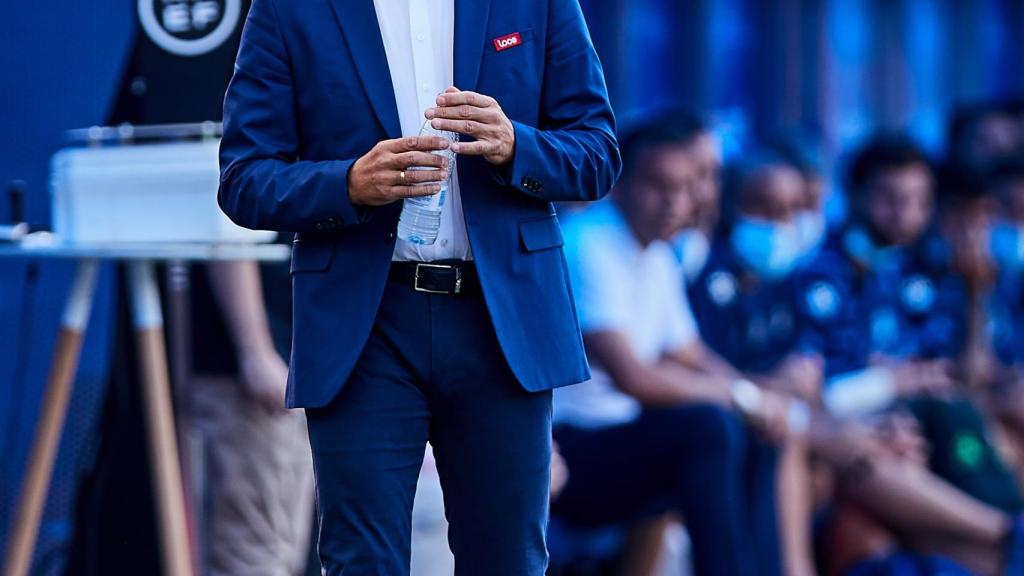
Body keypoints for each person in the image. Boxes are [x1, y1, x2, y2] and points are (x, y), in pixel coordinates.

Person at [218, 1, 620, 574]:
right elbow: (243, 179)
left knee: (509, 560)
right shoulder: (290, 8)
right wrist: (349, 183)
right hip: (363, 326)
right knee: (361, 563)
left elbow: (599, 155)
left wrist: (515, 145)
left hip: (502, 321)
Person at [552, 116, 793, 576]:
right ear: (619, 183)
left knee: (762, 434)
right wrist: (741, 398)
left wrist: (760, 399)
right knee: (709, 428)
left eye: (685, 189)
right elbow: (634, 378)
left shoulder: (657, 251)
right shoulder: (589, 244)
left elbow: (689, 354)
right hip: (570, 448)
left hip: (622, 435)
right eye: (658, 187)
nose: (675, 203)